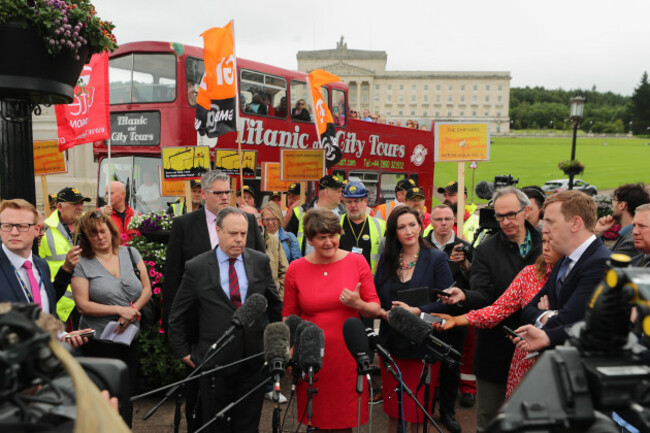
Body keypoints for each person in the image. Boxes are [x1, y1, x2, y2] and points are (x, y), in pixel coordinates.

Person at [169, 207, 283, 433]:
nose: (239, 239)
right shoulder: (198, 266)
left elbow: (276, 304)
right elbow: (177, 314)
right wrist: (183, 351)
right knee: (214, 424)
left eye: (243, 233)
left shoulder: (259, 261)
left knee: (248, 424)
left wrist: (275, 342)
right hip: (214, 361)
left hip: (253, 360)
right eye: (233, 234)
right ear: (218, 230)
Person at [441, 186, 542, 432]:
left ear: (526, 211)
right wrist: (464, 294)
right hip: (496, 348)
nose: (505, 222)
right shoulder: (486, 250)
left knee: (531, 419)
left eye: (511, 215)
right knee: (489, 419)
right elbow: (484, 295)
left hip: (536, 349)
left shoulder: (546, 244)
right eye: (499, 216)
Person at [283, 209, 380, 432]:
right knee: (314, 420)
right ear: (310, 239)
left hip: (346, 356)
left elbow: (375, 308)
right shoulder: (296, 269)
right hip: (311, 355)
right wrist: (290, 354)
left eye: (333, 235)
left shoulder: (357, 262)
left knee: (343, 422)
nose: (329, 242)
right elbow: (289, 316)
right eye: (321, 237)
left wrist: (359, 304)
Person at [433, 235, 561, 398]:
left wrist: (550, 317)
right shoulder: (530, 274)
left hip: (561, 364)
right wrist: (457, 320)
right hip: (527, 362)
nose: (546, 247)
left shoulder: (581, 275)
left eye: (553, 241)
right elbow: (498, 309)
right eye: (543, 241)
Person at [374, 205, 453, 433]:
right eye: (401, 227)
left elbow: (448, 301)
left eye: (412, 225)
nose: (408, 231)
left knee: (417, 412)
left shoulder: (436, 258)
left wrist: (417, 310)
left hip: (423, 345)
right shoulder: (388, 260)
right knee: (393, 410)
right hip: (391, 345)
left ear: (420, 227)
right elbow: (377, 297)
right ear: (394, 232)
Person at [71, 211, 152, 426]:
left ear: (111, 230)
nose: (100, 237)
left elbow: (147, 289)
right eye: (93, 234)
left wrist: (132, 311)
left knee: (127, 390)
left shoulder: (131, 253)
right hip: (98, 341)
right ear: (86, 238)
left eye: (103, 231)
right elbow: (82, 305)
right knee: (104, 393)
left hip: (129, 337)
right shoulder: (83, 264)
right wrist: (119, 309)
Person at [517, 190, 611, 352]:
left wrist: (548, 315)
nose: (544, 229)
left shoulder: (600, 263)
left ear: (575, 223)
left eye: (550, 222)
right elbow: (528, 310)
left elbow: (570, 320)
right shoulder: (565, 260)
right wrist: (553, 315)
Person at [422, 204, 471, 432]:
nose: (443, 223)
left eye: (447, 219)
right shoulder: (420, 245)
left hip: (455, 317)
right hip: (427, 313)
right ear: (430, 221)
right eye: (438, 219)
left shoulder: (465, 247)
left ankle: (448, 411)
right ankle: (425, 408)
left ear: (453, 220)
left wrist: (465, 264)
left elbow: (475, 282)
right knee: (425, 363)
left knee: (451, 365)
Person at [40, 186, 91, 324]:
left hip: (86, 300)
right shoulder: (44, 231)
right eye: (75, 203)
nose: (80, 207)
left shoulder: (88, 227)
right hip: (59, 304)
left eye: (81, 203)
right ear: (60, 207)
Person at [285, 175, 345, 255]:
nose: (341, 195)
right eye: (338, 192)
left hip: (335, 266)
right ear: (326, 191)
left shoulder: (345, 214)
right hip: (305, 265)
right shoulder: (301, 212)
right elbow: (288, 242)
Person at [339, 180, 386, 274]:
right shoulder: (335, 223)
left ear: (365, 201)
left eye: (356, 201)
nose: (353, 205)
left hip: (369, 280)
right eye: (349, 202)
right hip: (342, 280)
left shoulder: (381, 225)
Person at [594, 183, 649, 257]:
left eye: (614, 200)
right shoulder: (626, 235)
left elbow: (604, 263)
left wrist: (597, 233)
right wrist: (599, 233)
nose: (612, 204)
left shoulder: (632, 240)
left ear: (622, 205)